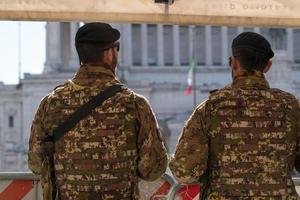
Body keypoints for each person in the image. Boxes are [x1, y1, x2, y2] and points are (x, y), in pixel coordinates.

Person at [28, 22, 168, 200]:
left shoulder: (50, 104)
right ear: (109, 53)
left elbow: (36, 163)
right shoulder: (135, 104)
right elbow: (153, 169)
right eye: (116, 48)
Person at [169, 32, 300, 199]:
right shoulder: (292, 107)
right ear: (268, 66)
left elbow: (184, 171)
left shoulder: (211, 108)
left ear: (234, 62)